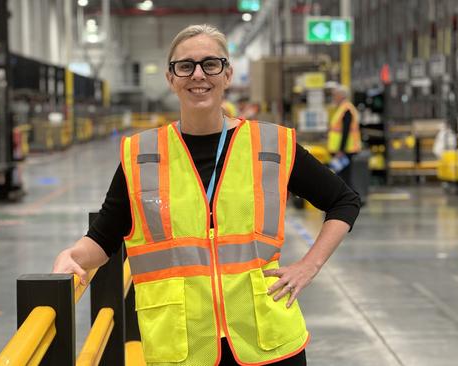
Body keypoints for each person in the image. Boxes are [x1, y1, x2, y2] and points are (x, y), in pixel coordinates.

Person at [53, 24, 360, 366]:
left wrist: (308, 266)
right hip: (182, 349)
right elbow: (104, 237)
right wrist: (74, 257)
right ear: (171, 78)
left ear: (227, 74)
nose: (198, 75)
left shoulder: (270, 146)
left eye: (210, 64)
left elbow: (344, 201)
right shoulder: (141, 155)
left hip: (267, 343)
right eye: (185, 66)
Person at [326, 86, 361, 188]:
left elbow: (346, 131)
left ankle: (352, 200)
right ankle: (349, 200)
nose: (333, 97)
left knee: (345, 178)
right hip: (342, 150)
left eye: (335, 95)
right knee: (342, 177)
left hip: (345, 150)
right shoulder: (341, 108)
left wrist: (341, 150)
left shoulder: (346, 109)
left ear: (341, 96)